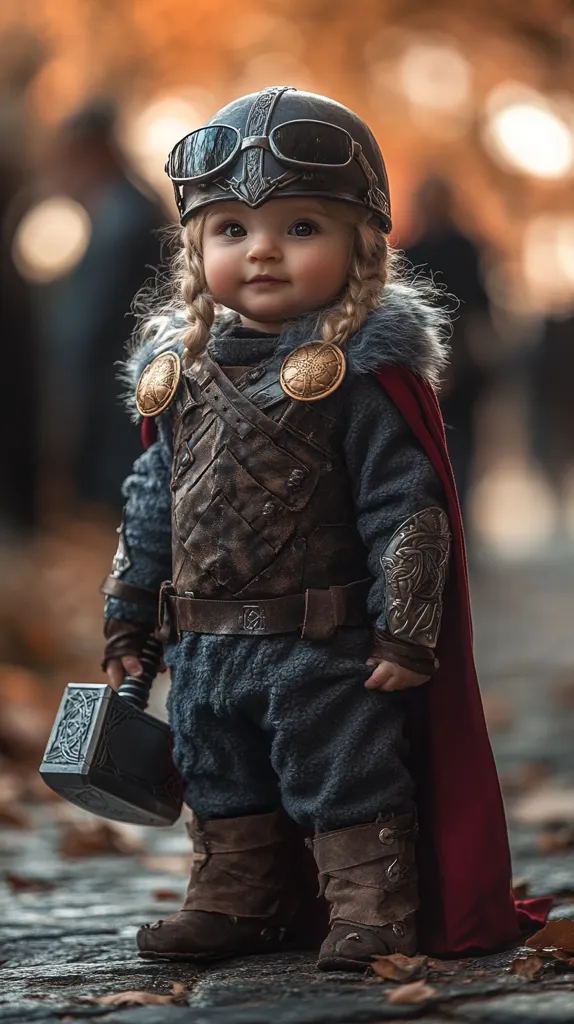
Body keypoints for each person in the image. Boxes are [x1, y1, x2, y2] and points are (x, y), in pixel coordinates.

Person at [100, 87, 549, 970]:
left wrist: (407, 632)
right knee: (219, 777)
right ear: (197, 250)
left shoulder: (354, 377)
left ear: (361, 246)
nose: (262, 249)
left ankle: (372, 911)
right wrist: (128, 619)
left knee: (345, 776)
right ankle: (236, 901)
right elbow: (152, 505)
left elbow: (404, 511)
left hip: (324, 648)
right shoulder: (182, 377)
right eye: (231, 229)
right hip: (203, 646)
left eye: (301, 227)